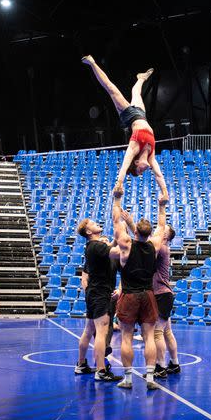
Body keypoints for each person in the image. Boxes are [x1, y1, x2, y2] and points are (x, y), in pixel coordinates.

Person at [81, 55, 169, 202]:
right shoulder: (151, 156)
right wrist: (165, 192)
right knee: (136, 93)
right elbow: (159, 175)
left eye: (139, 170)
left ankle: (92, 63)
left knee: (111, 88)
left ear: (136, 163)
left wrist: (119, 183)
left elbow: (124, 164)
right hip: (141, 116)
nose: (142, 171)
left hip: (129, 116)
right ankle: (141, 78)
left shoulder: (135, 147)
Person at [108, 183, 169, 390]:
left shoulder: (125, 245)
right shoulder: (154, 247)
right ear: (149, 233)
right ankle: (151, 378)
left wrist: (117, 198)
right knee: (149, 336)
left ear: (136, 233)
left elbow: (117, 221)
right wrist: (162, 206)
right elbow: (162, 227)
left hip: (130, 295)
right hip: (148, 295)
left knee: (126, 336)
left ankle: (128, 378)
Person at [74, 219, 122, 382]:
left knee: (88, 330)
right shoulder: (96, 246)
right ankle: (101, 370)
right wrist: (120, 232)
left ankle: (81, 365)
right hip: (100, 293)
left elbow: (111, 247)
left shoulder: (93, 247)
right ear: (88, 231)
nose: (97, 223)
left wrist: (115, 238)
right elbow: (117, 251)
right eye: (93, 223)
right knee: (101, 333)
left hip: (94, 293)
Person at [152, 224, 181, 379]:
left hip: (161, 295)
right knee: (167, 331)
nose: (156, 229)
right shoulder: (162, 248)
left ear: (165, 236)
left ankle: (161, 366)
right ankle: (174, 363)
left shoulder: (161, 249)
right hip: (163, 293)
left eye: (160, 229)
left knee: (157, 332)